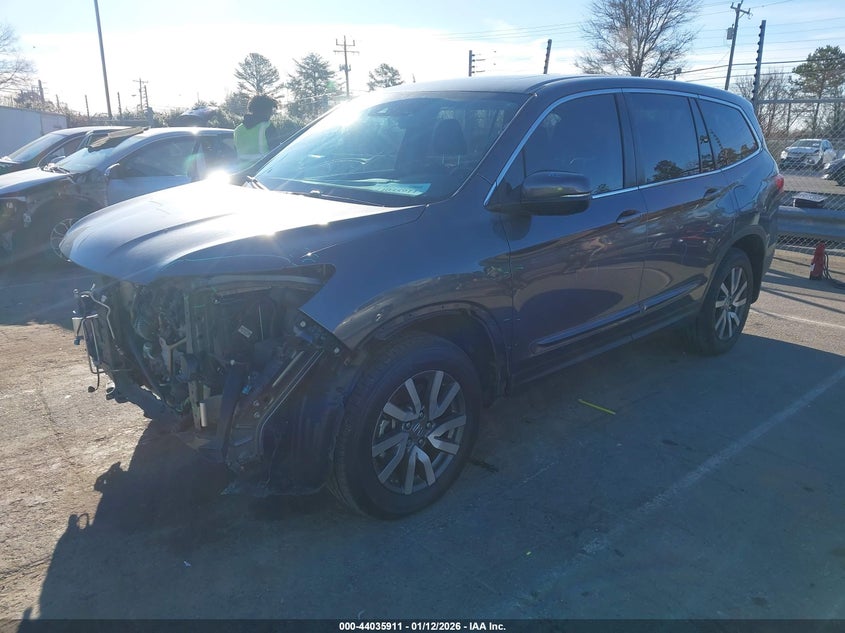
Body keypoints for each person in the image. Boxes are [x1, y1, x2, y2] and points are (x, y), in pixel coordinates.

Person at [233, 95, 280, 166]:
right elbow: (277, 151)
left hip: (241, 172)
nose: (271, 114)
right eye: (270, 110)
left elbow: (235, 152)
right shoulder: (267, 126)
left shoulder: (238, 130)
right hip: (262, 171)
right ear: (264, 110)